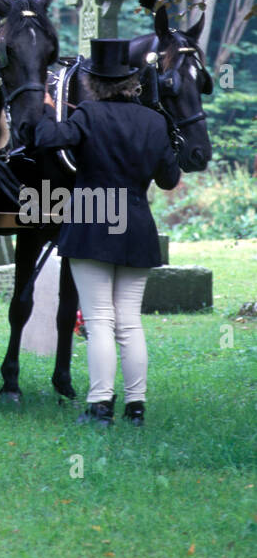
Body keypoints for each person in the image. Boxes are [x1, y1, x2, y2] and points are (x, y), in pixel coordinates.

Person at [29, 38, 181, 427]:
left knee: (98, 319)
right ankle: (136, 407)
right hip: (136, 222)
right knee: (129, 321)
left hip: (93, 220)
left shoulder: (89, 114)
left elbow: (47, 140)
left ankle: (99, 406)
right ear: (133, 82)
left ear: (93, 83)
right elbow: (168, 179)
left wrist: (47, 110)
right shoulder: (155, 120)